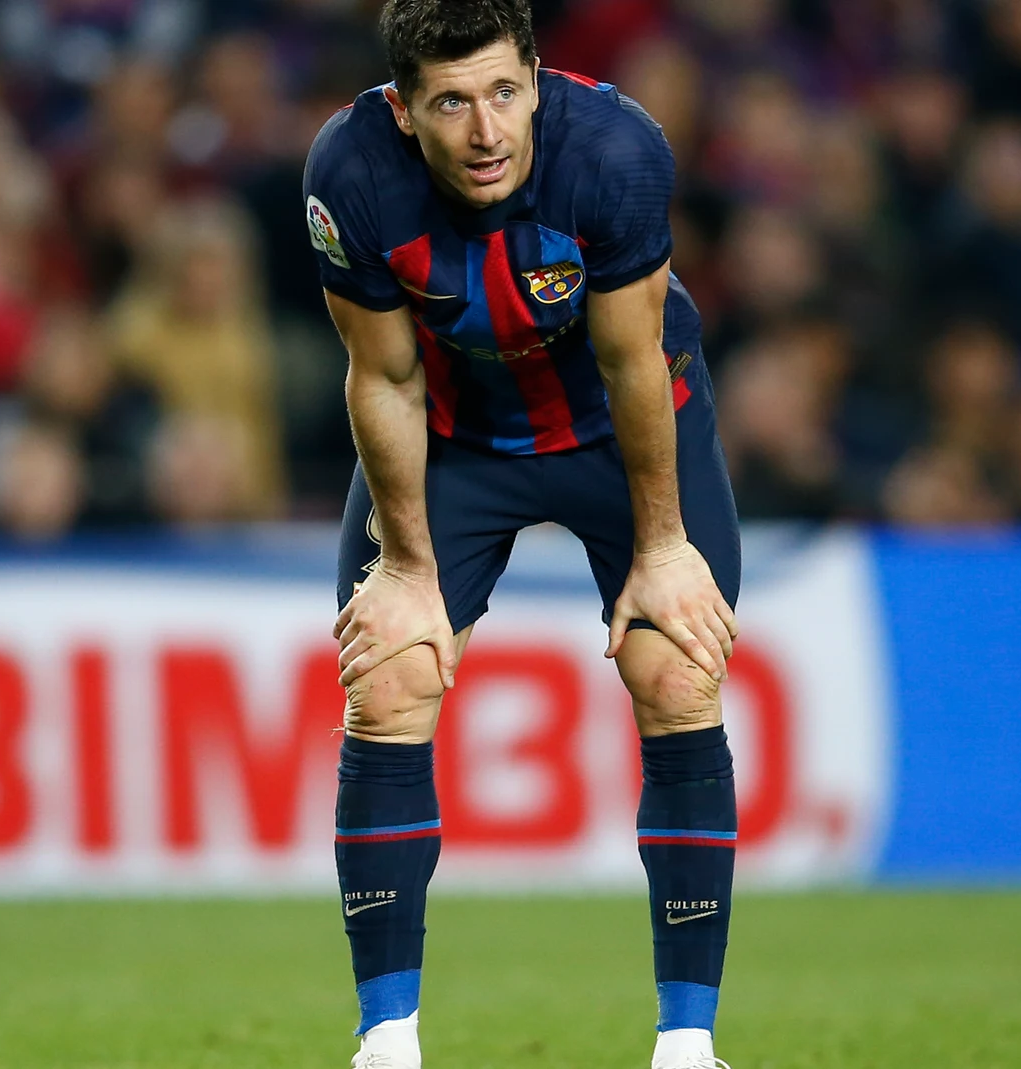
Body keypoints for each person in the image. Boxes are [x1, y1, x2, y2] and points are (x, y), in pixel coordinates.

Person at [302, 3, 741, 1068]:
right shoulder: (348, 174)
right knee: (391, 675)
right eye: (452, 102)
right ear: (404, 112)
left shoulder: (615, 154)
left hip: (617, 429)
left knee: (675, 669)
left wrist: (663, 544)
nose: (487, 130)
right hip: (454, 436)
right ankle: (386, 1042)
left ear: (537, 78)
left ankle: (685, 1047)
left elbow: (634, 363)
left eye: (504, 92)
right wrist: (406, 567)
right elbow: (385, 373)